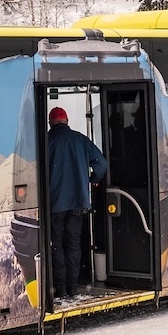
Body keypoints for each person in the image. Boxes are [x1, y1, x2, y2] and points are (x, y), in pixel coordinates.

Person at [47, 106, 108, 301]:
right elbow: (101, 163)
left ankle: (61, 289)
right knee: (73, 244)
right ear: (66, 121)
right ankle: (73, 288)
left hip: (54, 203)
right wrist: (92, 180)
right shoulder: (80, 139)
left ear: (50, 123)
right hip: (78, 202)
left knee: (56, 245)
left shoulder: (46, 141)